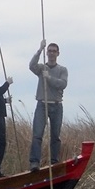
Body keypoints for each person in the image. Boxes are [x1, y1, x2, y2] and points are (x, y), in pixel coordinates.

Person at [29, 40, 68, 171]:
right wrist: (40, 49)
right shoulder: (41, 68)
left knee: (55, 136)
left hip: (56, 106)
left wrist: (49, 78)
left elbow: (62, 84)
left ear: (58, 53)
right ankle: (34, 162)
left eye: (54, 51)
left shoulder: (62, 69)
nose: (51, 53)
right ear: (47, 53)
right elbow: (31, 65)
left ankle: (54, 162)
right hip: (42, 104)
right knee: (37, 134)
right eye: (49, 51)